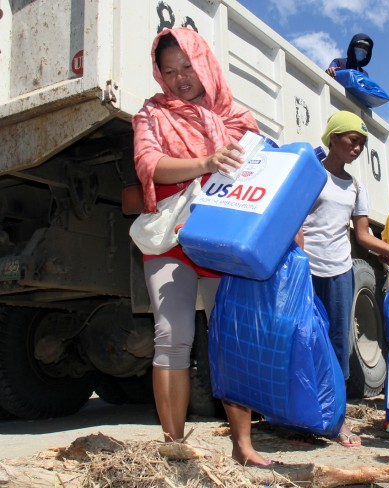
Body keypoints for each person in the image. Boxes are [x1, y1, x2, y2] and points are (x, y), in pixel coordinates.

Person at [132, 28, 270, 466]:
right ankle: (174, 445)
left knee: (229, 339)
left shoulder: (236, 116)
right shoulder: (151, 114)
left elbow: (266, 176)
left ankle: (244, 446)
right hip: (170, 234)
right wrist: (206, 163)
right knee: (172, 336)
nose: (179, 79)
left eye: (187, 66)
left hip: (220, 235)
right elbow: (149, 165)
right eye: (169, 72)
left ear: (204, 62)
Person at [302, 110, 389, 447]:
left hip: (339, 271)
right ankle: (302, 418)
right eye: (352, 140)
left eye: (362, 143)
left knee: (338, 345)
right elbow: (295, 222)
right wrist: (297, 262)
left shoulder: (355, 186)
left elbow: (362, 235)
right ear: (333, 138)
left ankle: (336, 420)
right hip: (306, 269)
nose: (358, 148)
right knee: (304, 342)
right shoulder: (310, 175)